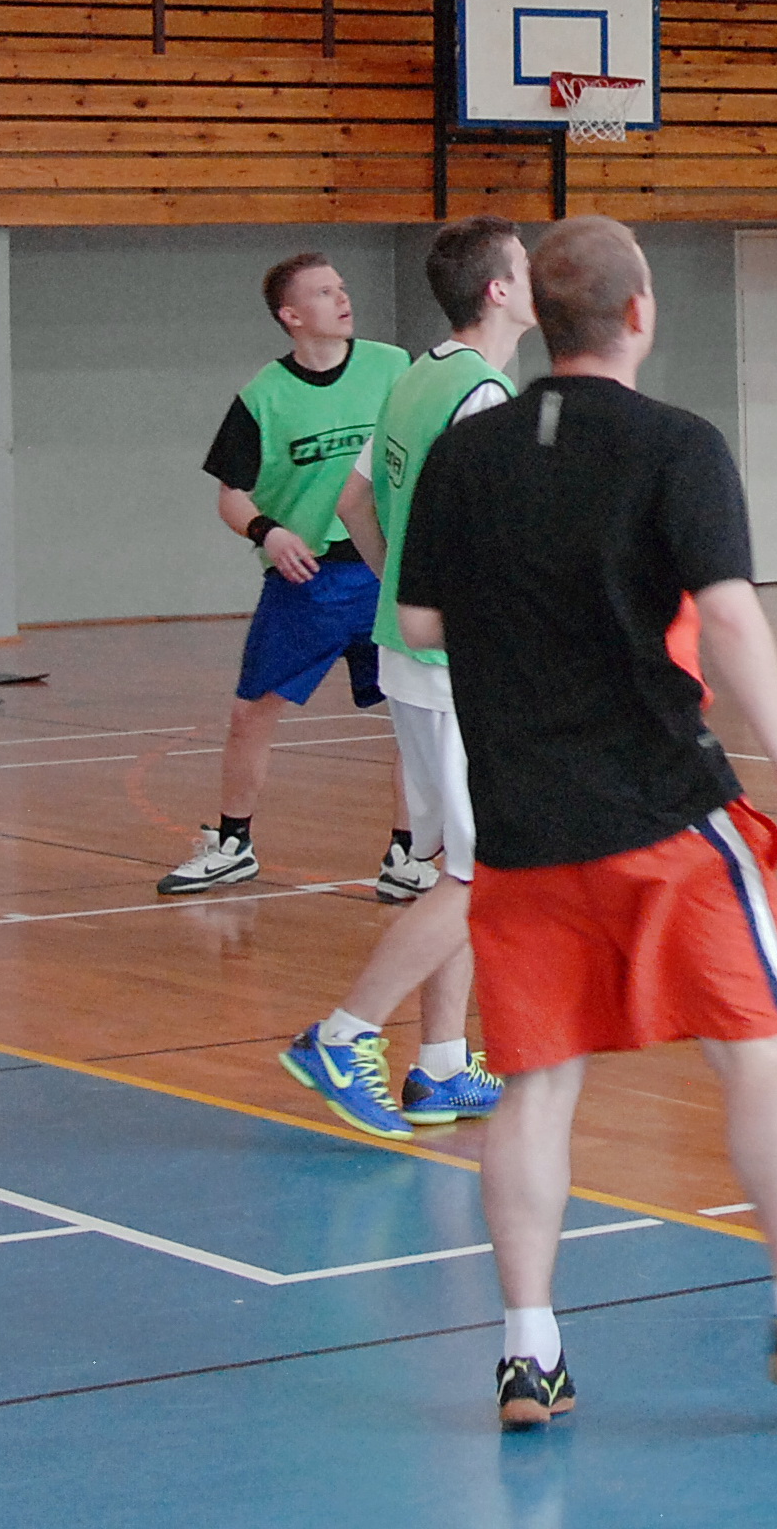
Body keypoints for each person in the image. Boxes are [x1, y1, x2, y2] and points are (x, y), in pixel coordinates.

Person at [395, 215, 777, 1429]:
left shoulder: (467, 455)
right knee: (757, 1052)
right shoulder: (677, 444)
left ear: (542, 319)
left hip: (521, 826)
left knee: (534, 1088)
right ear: (639, 314)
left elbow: (418, 622)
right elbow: (726, 617)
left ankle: (529, 1351)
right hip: (664, 813)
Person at [281, 217, 533, 1140]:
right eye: (525, 265)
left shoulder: (416, 375)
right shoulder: (486, 396)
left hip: (411, 655)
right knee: (484, 876)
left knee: (458, 869)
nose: (537, 276)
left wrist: (403, 595)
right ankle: (343, 1035)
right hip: (459, 669)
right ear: (498, 290)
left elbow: (354, 501)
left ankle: (441, 1068)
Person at [164, 253, 411, 896]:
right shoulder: (262, 397)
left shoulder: (395, 367)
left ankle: (410, 853)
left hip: (387, 573)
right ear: (292, 315)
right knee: (251, 713)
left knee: (416, 717)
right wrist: (267, 532)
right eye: (325, 292)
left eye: (342, 287)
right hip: (309, 581)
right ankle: (233, 845)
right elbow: (231, 496)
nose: (343, 298)